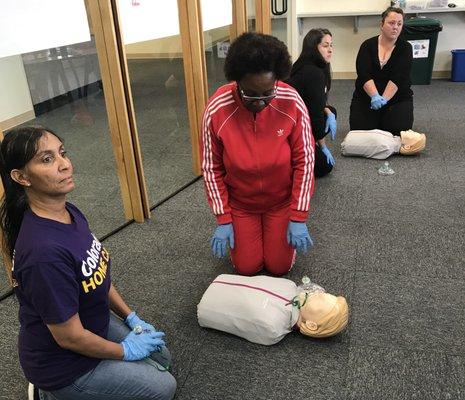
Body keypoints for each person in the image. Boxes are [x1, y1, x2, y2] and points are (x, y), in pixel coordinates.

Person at [0, 126, 176, 400]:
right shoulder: (42, 253)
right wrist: (126, 351)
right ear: (21, 177)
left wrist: (131, 317)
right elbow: (69, 338)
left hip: (90, 322)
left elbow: (98, 274)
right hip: (64, 365)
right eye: (47, 160)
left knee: (162, 358)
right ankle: (49, 394)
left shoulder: (70, 211)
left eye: (62, 153)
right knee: (164, 388)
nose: (65, 165)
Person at [201, 32, 315, 277]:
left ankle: (281, 237)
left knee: (278, 267)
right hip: (242, 204)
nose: (261, 102)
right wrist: (223, 218)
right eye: (251, 94)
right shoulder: (217, 107)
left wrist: (298, 215)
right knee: (247, 267)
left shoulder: (291, 100)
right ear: (237, 82)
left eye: (268, 93)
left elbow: (305, 161)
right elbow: (211, 168)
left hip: (280, 201)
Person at [350, 6, 414, 136]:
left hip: (397, 98)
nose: (395, 27)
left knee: (398, 130)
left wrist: (383, 100)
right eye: (391, 23)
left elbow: (399, 78)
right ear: (382, 24)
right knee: (360, 130)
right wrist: (374, 96)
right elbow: (363, 74)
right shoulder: (367, 45)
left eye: (399, 24)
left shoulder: (406, 48)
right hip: (367, 97)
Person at [287, 28, 337, 178]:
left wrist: (327, 111)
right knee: (324, 166)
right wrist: (322, 146)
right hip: (288, 129)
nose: (330, 50)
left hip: (299, 120)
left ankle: (306, 145)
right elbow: (315, 115)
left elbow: (316, 102)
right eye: (325, 46)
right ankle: (290, 154)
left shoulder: (317, 66)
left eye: (331, 45)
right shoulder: (312, 72)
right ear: (314, 48)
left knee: (331, 111)